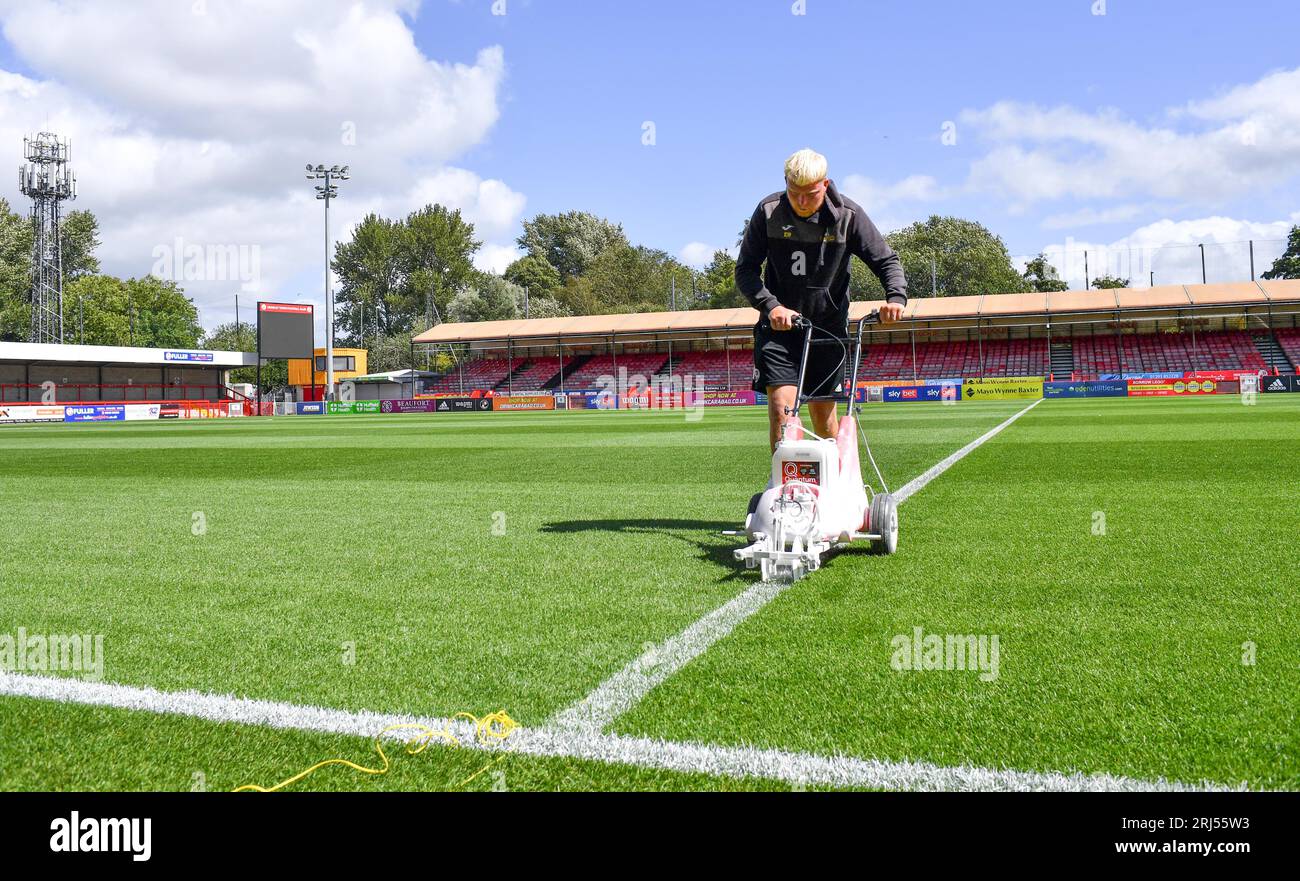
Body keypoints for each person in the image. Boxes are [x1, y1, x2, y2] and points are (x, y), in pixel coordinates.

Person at [736, 148, 909, 452]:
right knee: (781, 412)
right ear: (786, 184)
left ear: (826, 185)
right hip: (780, 330)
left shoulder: (848, 216)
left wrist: (895, 297)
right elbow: (746, 270)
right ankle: (787, 484)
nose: (802, 202)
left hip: (827, 330)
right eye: (794, 193)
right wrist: (771, 305)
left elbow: (886, 261)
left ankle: (831, 487)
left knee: (824, 421)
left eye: (810, 194)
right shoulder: (768, 212)